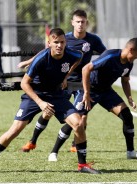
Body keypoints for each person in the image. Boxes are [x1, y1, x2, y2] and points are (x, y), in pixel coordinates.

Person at [0, 28, 101, 174]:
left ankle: (82, 165)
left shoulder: (72, 54)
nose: (59, 45)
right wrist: (40, 103)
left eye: (62, 42)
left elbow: (79, 57)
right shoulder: (42, 58)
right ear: (49, 43)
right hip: (34, 94)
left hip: (56, 95)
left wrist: (66, 76)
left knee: (79, 123)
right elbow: (24, 83)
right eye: (56, 42)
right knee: (15, 130)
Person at [19, 9, 106, 159]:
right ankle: (32, 141)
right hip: (62, 83)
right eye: (77, 21)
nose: (80, 25)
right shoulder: (64, 38)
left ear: (87, 23)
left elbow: (104, 56)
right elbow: (45, 52)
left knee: (80, 115)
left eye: (83, 22)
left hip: (80, 84)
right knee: (48, 113)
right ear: (72, 23)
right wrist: (27, 62)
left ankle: (74, 144)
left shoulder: (94, 40)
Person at [78, 37, 137, 160]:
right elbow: (86, 69)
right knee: (75, 120)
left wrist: (129, 98)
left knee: (127, 116)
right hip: (92, 90)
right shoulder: (110, 56)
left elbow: (125, 81)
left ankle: (131, 152)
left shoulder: (129, 63)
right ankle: (54, 151)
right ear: (130, 50)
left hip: (106, 92)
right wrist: (86, 93)